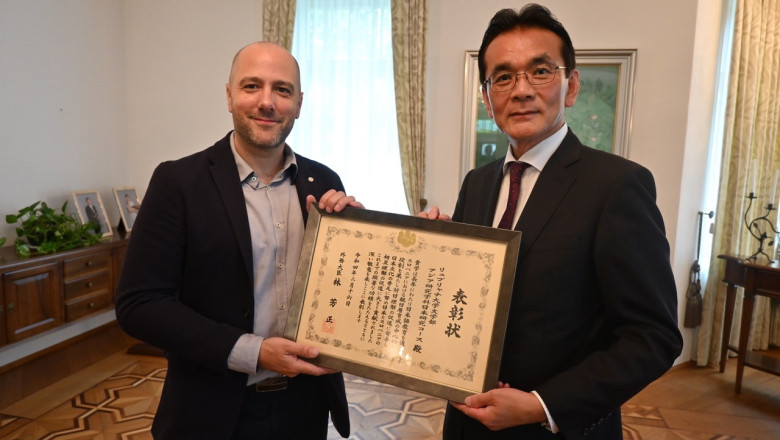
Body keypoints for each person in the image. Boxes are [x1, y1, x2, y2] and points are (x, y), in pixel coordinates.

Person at [420, 5, 682, 439]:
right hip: (467, 422)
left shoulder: (617, 186)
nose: (520, 90)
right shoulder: (478, 183)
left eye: (540, 71)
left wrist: (543, 405)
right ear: (487, 97)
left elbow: (653, 338)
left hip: (557, 429)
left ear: (571, 85)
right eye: (502, 77)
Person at [115, 42, 361, 439]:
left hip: (306, 405)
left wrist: (357, 239)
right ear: (229, 95)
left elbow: (342, 293)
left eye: (282, 90)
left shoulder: (325, 183)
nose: (267, 102)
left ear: (299, 103)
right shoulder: (178, 183)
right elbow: (139, 304)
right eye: (251, 86)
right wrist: (254, 351)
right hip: (212, 410)